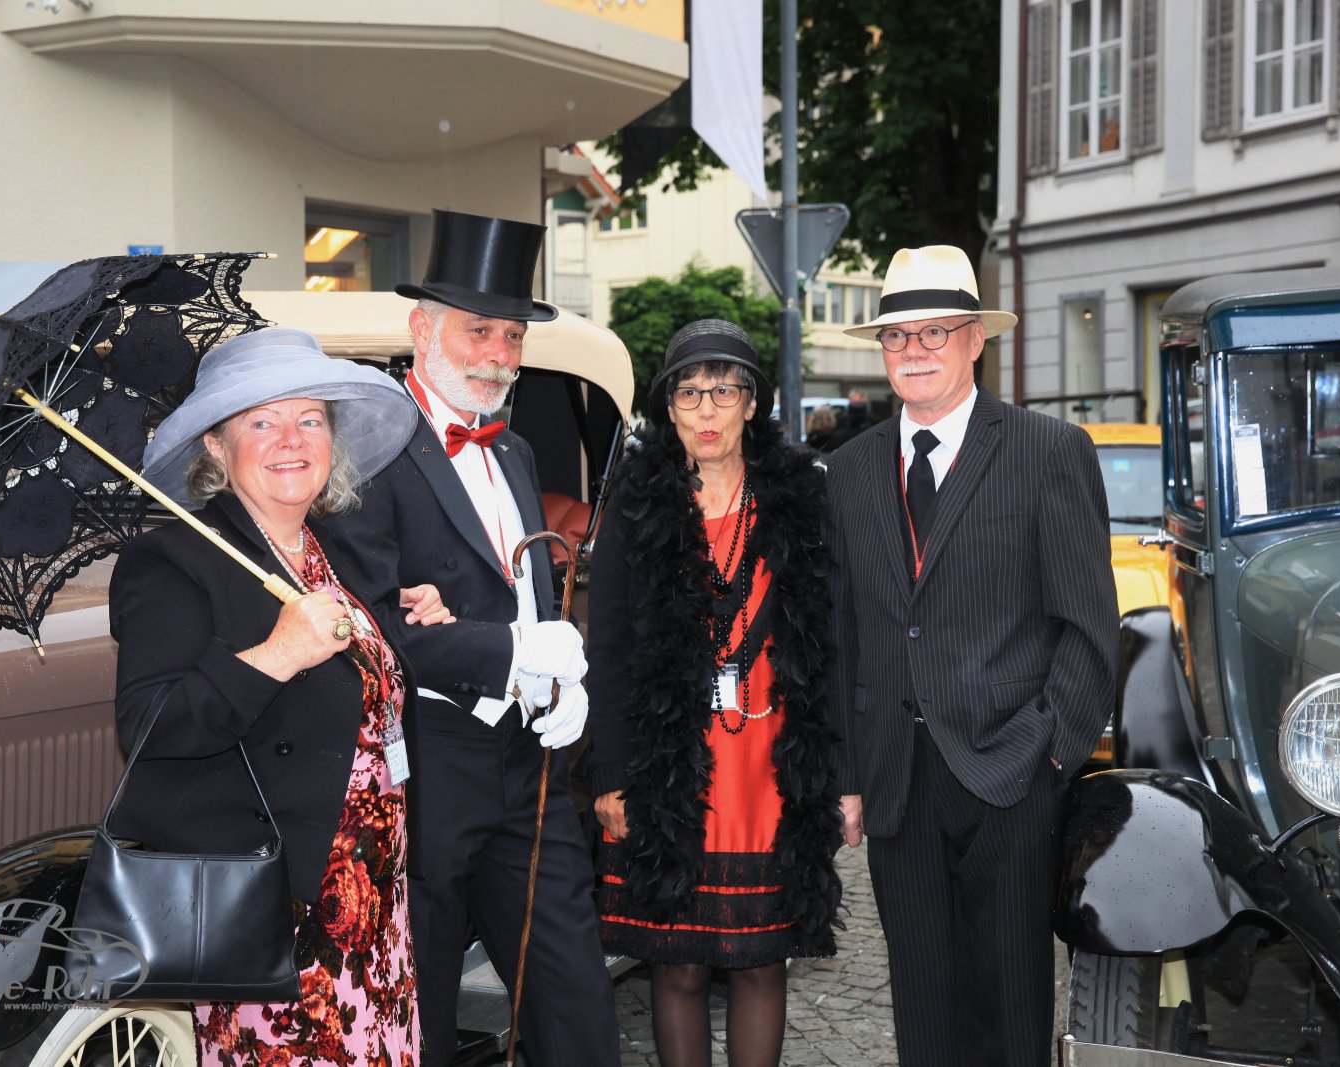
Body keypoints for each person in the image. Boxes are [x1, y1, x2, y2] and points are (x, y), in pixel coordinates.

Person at [316, 209, 620, 1067]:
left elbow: (527, 596)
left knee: (574, 995)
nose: (497, 352)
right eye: (478, 330)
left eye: (512, 335)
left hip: (529, 763)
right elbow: (376, 626)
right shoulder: (365, 452)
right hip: (426, 763)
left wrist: (559, 675)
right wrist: (512, 654)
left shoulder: (515, 451)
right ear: (423, 330)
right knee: (424, 1010)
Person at [109, 327, 455, 1066]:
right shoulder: (170, 560)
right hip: (282, 918)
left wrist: (392, 623)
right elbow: (148, 727)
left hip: (375, 909)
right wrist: (276, 655)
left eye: (310, 419)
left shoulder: (326, 551)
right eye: (261, 422)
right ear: (215, 445)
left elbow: (350, 693)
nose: (291, 439)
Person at [827, 245, 1118, 1066]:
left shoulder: (1047, 450)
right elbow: (840, 632)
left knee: (1011, 1004)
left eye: (935, 332)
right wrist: (845, 773)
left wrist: (1047, 750)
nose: (914, 350)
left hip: (1011, 773)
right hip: (896, 777)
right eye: (897, 336)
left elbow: (1089, 627)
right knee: (922, 1004)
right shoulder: (847, 471)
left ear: (975, 340)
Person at [586, 319, 844, 1067]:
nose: (706, 410)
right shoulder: (634, 502)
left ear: (752, 404)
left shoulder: (800, 497)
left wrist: (839, 774)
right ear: (667, 408)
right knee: (679, 964)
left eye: (724, 391)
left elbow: (833, 640)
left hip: (771, 765)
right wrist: (610, 773)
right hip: (668, 762)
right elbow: (608, 648)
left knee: (762, 960)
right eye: (689, 393)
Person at [823, 387, 876, 452]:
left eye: (861, 403)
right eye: (856, 403)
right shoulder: (840, 419)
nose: (858, 407)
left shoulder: (871, 420)